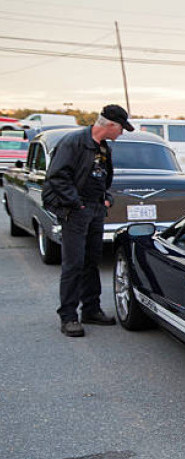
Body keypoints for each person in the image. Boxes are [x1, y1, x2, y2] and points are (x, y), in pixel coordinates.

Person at [42, 105, 133, 337]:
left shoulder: (103, 148)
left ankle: (91, 309)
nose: (121, 134)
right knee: (74, 263)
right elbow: (56, 176)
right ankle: (69, 316)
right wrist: (76, 203)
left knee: (91, 260)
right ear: (110, 125)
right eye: (121, 128)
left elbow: (103, 177)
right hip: (76, 210)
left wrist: (105, 198)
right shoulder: (73, 143)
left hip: (95, 209)